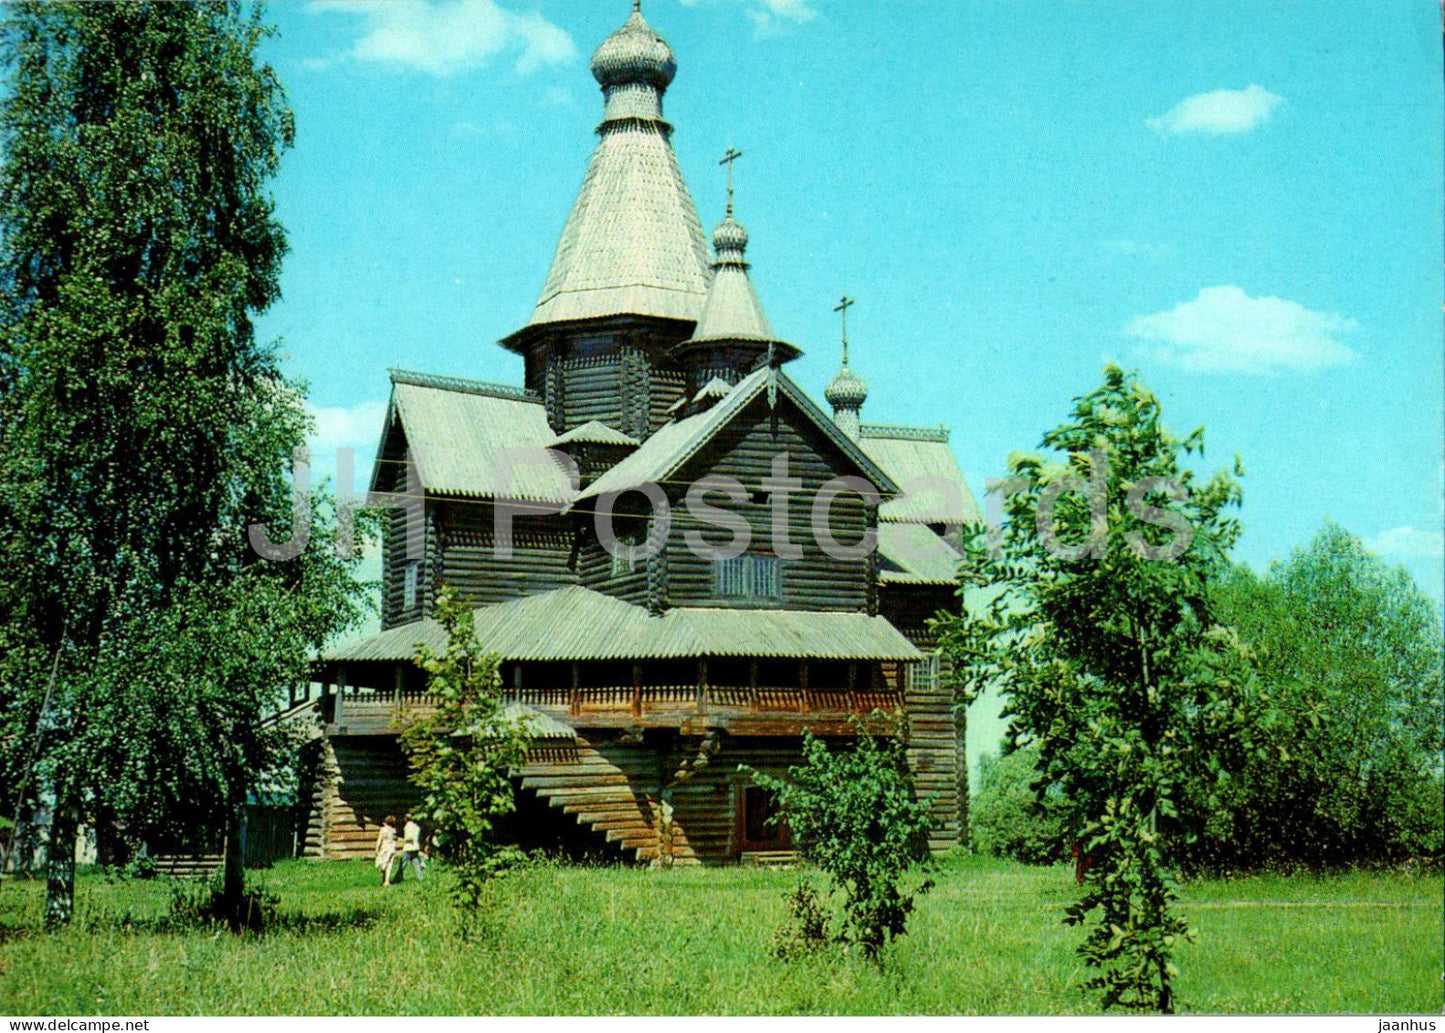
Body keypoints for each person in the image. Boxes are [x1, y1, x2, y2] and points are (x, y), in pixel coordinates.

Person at [374, 815, 398, 887]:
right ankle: (386, 881)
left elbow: (379, 840)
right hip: (392, 848)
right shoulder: (394, 830)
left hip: (384, 848)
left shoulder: (383, 829)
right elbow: (395, 839)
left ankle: (383, 874)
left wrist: (376, 848)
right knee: (389, 864)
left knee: (381, 863)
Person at [400, 814, 424, 882]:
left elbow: (409, 838)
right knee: (416, 863)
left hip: (408, 847)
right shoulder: (416, 826)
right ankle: (420, 877)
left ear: (405, 819)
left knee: (403, 863)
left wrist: (402, 840)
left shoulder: (408, 826)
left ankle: (398, 878)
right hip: (415, 847)